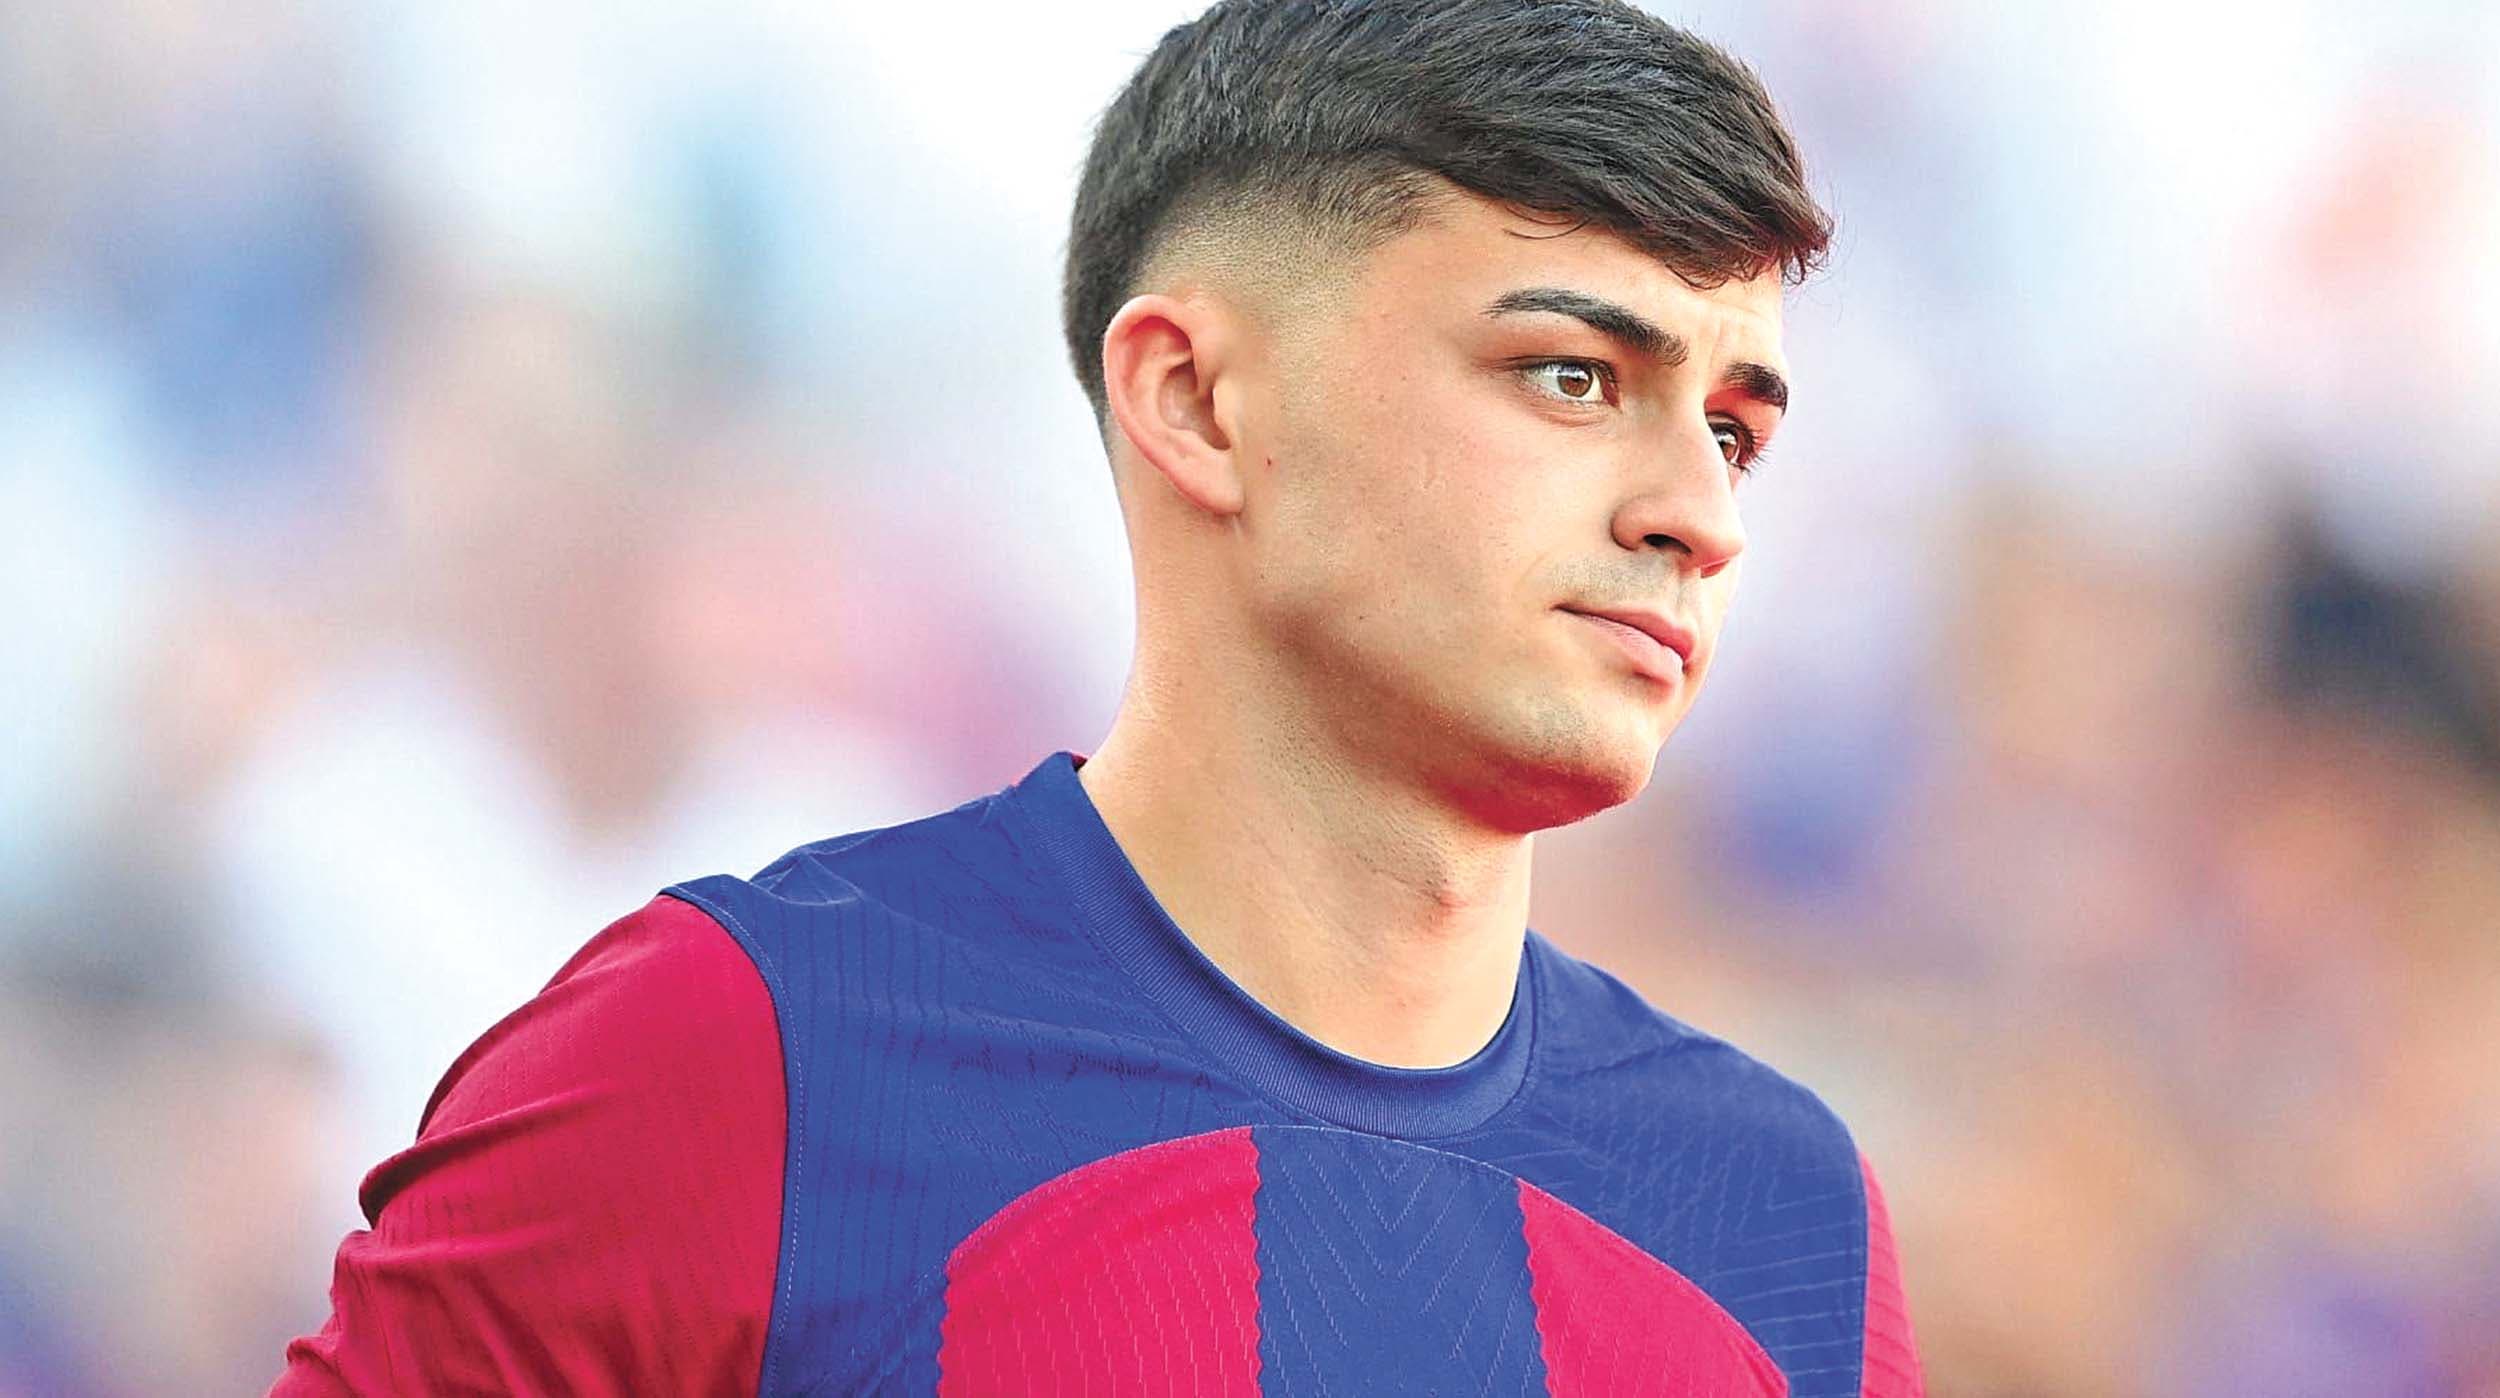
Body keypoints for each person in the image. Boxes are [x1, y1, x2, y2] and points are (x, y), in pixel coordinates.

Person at [275, 1, 1924, 1393]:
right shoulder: (735, 1058)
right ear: (1194, 398)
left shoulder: (1785, 1217)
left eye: (1733, 431)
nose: (1700, 514)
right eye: (1573, 376)